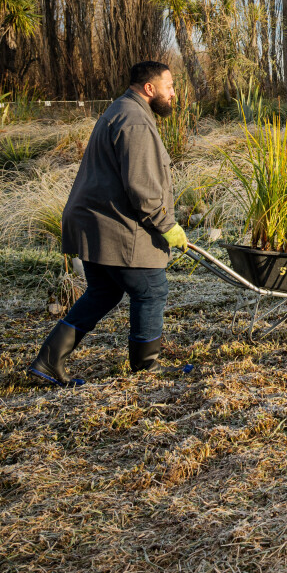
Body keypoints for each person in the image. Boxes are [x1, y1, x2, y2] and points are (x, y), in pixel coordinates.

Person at [28, 61, 189, 386]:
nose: (174, 93)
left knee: (104, 292)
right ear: (149, 88)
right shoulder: (136, 122)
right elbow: (142, 187)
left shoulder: (122, 111)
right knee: (151, 290)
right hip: (112, 228)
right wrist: (167, 225)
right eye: (169, 86)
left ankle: (48, 360)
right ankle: (146, 373)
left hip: (94, 225)